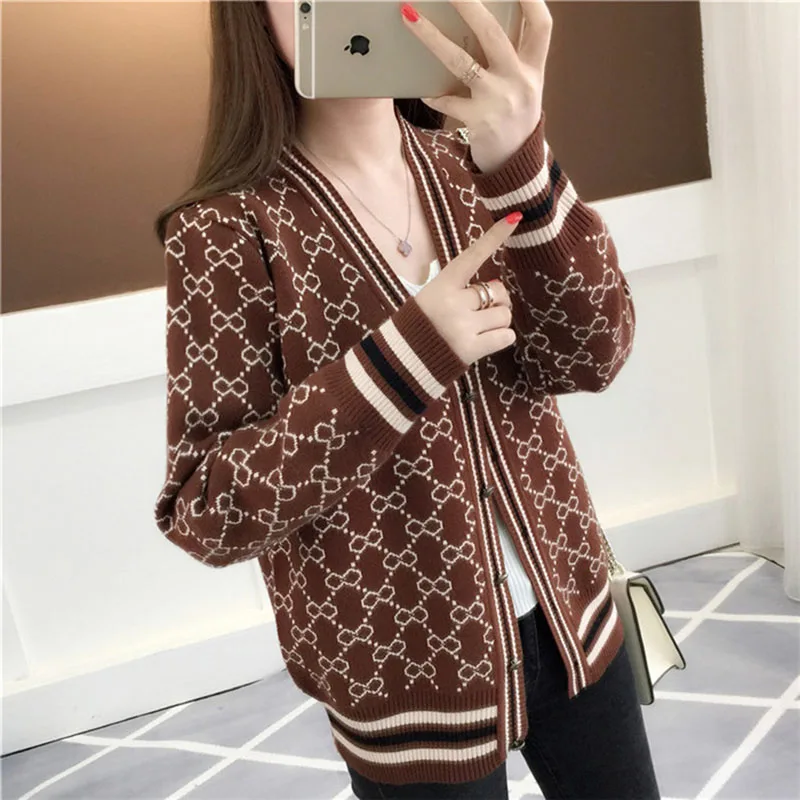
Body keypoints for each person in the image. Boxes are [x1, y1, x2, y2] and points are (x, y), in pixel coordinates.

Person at [153, 1, 660, 798]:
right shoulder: (224, 231)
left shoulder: (478, 167)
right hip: (406, 682)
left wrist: (522, 160)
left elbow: (595, 353)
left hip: (574, 621)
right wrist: (406, 357)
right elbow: (208, 510)